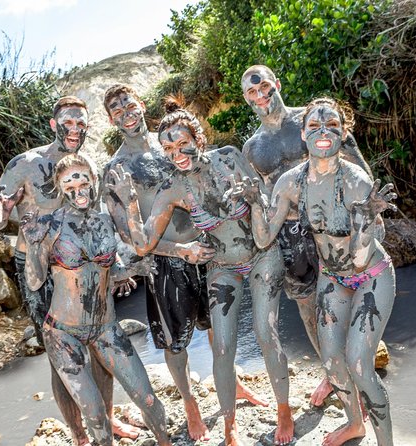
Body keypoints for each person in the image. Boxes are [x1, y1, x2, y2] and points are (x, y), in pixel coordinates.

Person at [107, 97, 293, 446]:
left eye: (182, 143)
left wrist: (255, 201)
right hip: (221, 266)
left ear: (198, 138)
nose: (176, 152)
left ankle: (284, 408)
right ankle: (229, 425)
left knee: (265, 334)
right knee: (222, 347)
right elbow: (143, 243)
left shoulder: (229, 157)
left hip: (261, 254)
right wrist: (130, 202)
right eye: (168, 148)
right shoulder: (173, 187)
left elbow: (265, 202)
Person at [238, 97, 396, 446]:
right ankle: (355, 423)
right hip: (331, 277)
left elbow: (360, 257)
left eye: (332, 126)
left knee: (359, 364)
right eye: (314, 126)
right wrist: (253, 204)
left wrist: (366, 222)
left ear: (343, 132)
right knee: (333, 361)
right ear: (303, 133)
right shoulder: (291, 183)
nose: (323, 132)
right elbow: (264, 239)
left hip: (370, 274)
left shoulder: (355, 180)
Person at [0, 96, 138, 444]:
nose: (74, 129)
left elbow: (96, 223)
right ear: (54, 125)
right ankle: (79, 434)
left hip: (83, 267)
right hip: (38, 268)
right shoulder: (25, 164)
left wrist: (117, 265)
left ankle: (106, 420)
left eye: (81, 124)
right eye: (67, 123)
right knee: (58, 355)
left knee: (99, 341)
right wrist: (3, 210)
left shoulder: (85, 167)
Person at [241, 64, 374, 406]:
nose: (260, 96)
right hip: (290, 237)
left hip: (332, 228)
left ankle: (359, 370)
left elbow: (358, 167)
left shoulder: (312, 120)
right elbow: (262, 202)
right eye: (251, 93)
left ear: (277, 84)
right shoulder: (252, 147)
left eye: (264, 87)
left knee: (344, 297)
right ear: (245, 99)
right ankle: (333, 374)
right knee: (307, 308)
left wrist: (366, 221)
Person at [21, 153, 171, 446]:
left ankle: (166, 441)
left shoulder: (105, 221)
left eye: (82, 179)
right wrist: (33, 244)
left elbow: (109, 268)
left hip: (106, 326)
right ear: (61, 188)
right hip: (64, 333)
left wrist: (133, 270)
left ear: (93, 180)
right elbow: (35, 280)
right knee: (95, 412)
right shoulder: (50, 225)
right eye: (69, 183)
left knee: (148, 398)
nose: (77, 189)